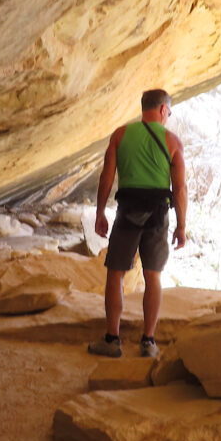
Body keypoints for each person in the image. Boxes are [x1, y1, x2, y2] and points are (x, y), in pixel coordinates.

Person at [89, 88, 187, 358]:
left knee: (116, 273)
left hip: (127, 213)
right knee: (153, 275)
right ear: (163, 110)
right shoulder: (172, 142)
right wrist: (181, 226)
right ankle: (148, 342)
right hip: (158, 216)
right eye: (169, 113)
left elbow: (106, 179)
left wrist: (100, 213)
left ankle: (112, 340)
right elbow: (179, 189)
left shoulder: (121, 135)